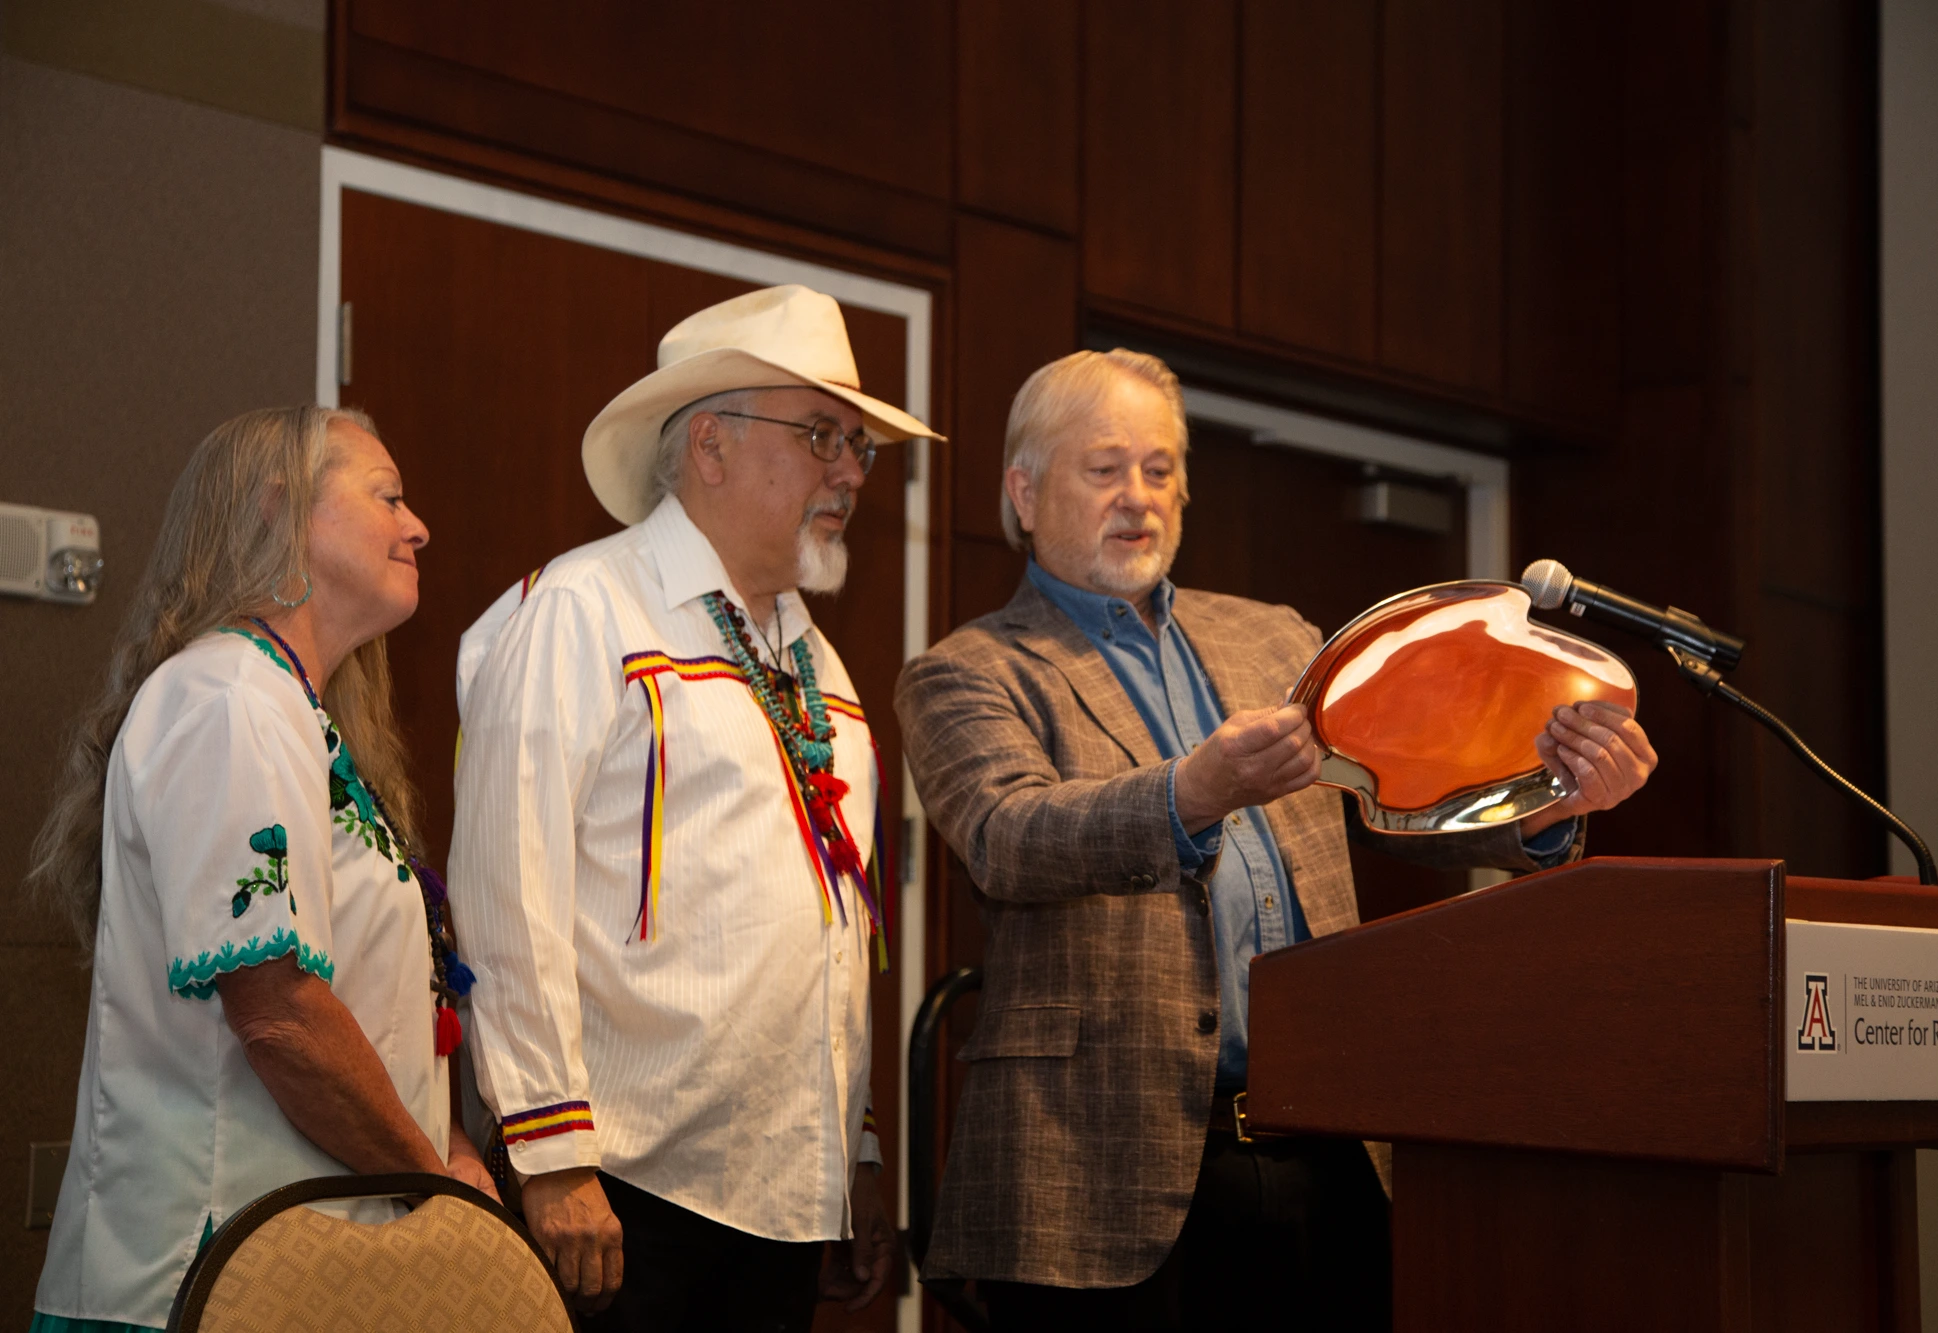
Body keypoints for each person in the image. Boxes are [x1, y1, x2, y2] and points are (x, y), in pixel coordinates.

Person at [895, 350, 1659, 1331]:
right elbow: (1009, 837)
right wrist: (1193, 792)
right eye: (1104, 469)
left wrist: (1548, 810)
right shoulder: (969, 670)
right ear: (1024, 491)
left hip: (1329, 1146)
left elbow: (1392, 805)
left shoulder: (1276, 640)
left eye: (1160, 469)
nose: (1138, 497)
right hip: (1099, 1167)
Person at [450, 284, 942, 1330]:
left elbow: (830, 929)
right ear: (710, 444)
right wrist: (550, 1153)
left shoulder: (817, 664)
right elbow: (507, 891)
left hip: (781, 1199)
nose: (852, 473)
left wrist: (851, 1153)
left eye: (859, 446)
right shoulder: (582, 609)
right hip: (621, 1191)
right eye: (822, 436)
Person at [27, 406, 494, 1332]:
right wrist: (437, 1191)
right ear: (281, 510)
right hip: (198, 1283)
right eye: (387, 497)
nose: (418, 527)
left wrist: (446, 1145)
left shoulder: (287, 708)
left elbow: (373, 1001)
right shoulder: (229, 697)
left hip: (290, 1271)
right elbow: (283, 1017)